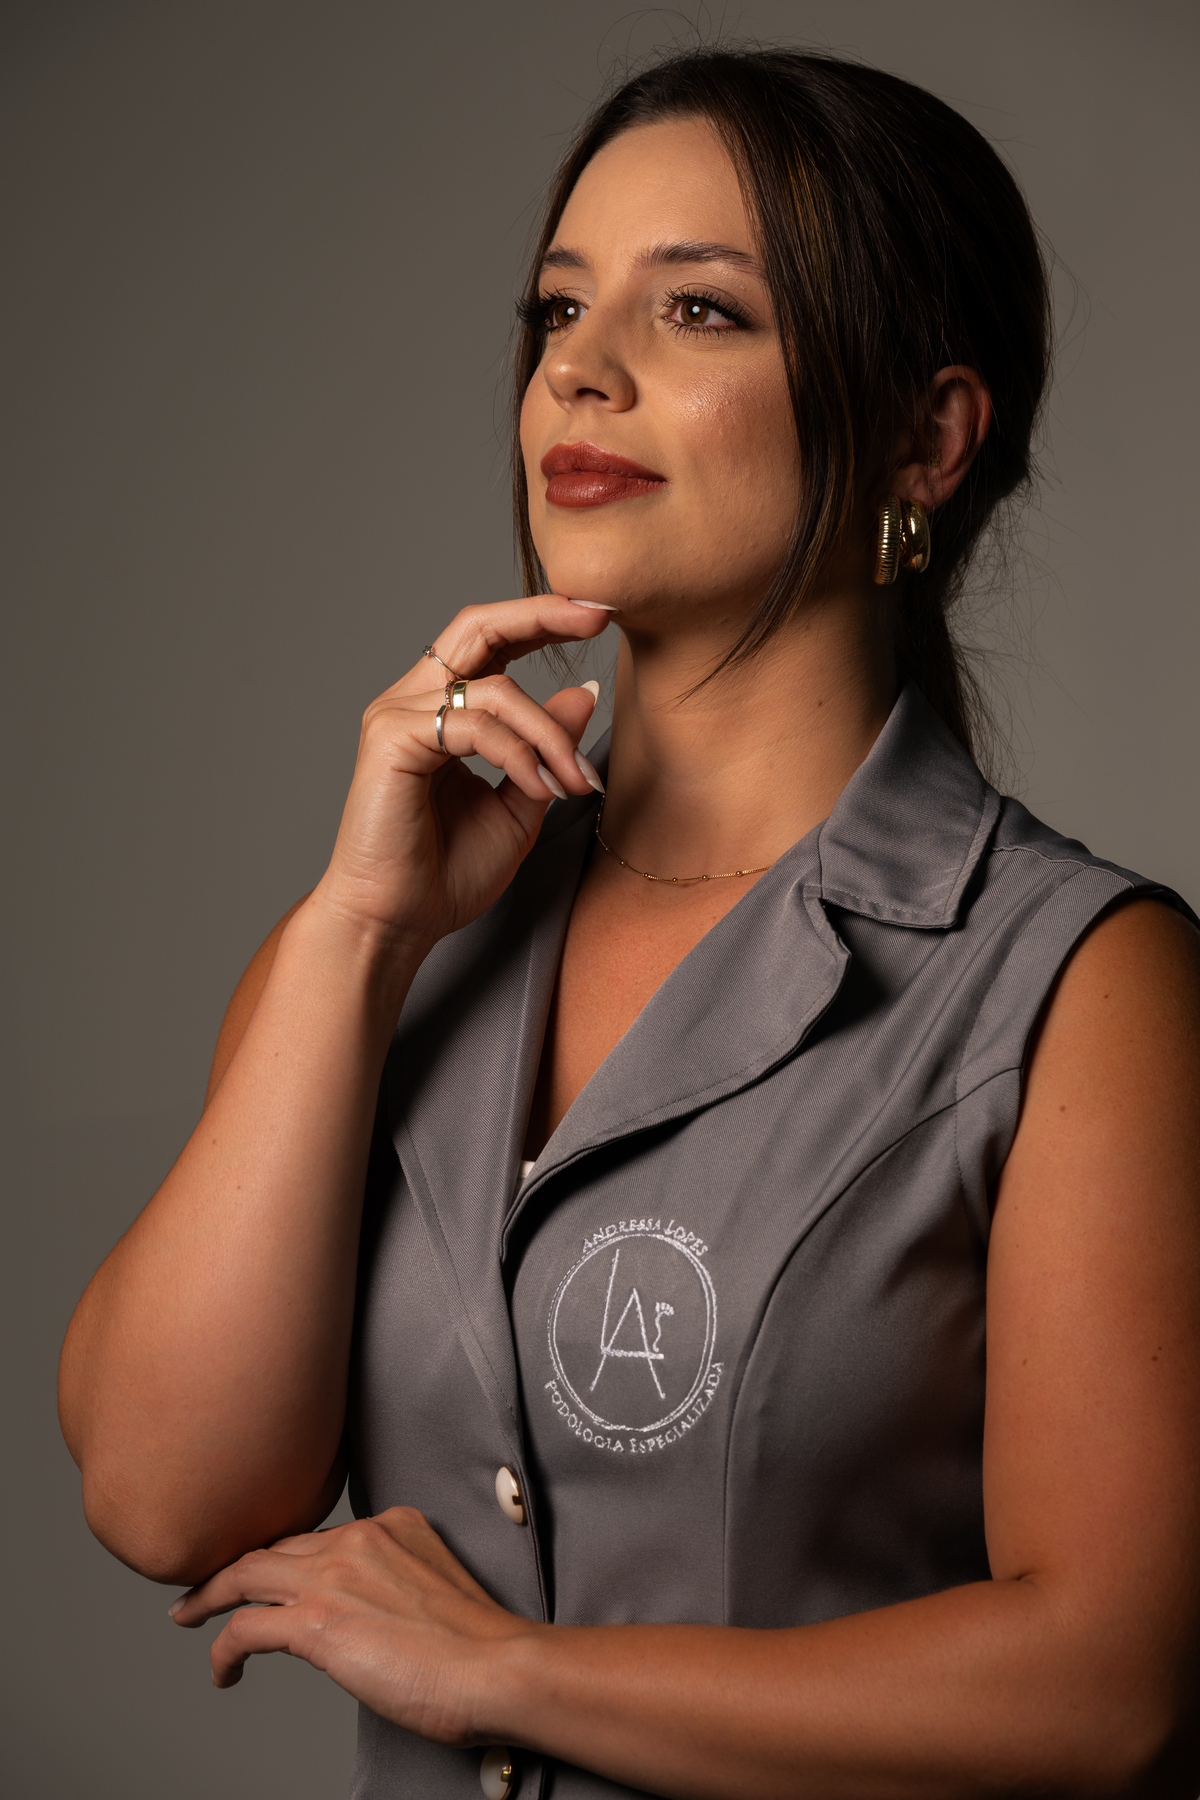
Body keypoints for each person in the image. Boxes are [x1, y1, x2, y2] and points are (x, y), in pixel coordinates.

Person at [59, 46, 1200, 1800]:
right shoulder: (384, 941)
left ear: (926, 436)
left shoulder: (1077, 987)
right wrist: (357, 930)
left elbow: (1109, 1687)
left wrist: (510, 1674)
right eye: (558, 308)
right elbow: (164, 1496)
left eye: (700, 312)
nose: (577, 370)